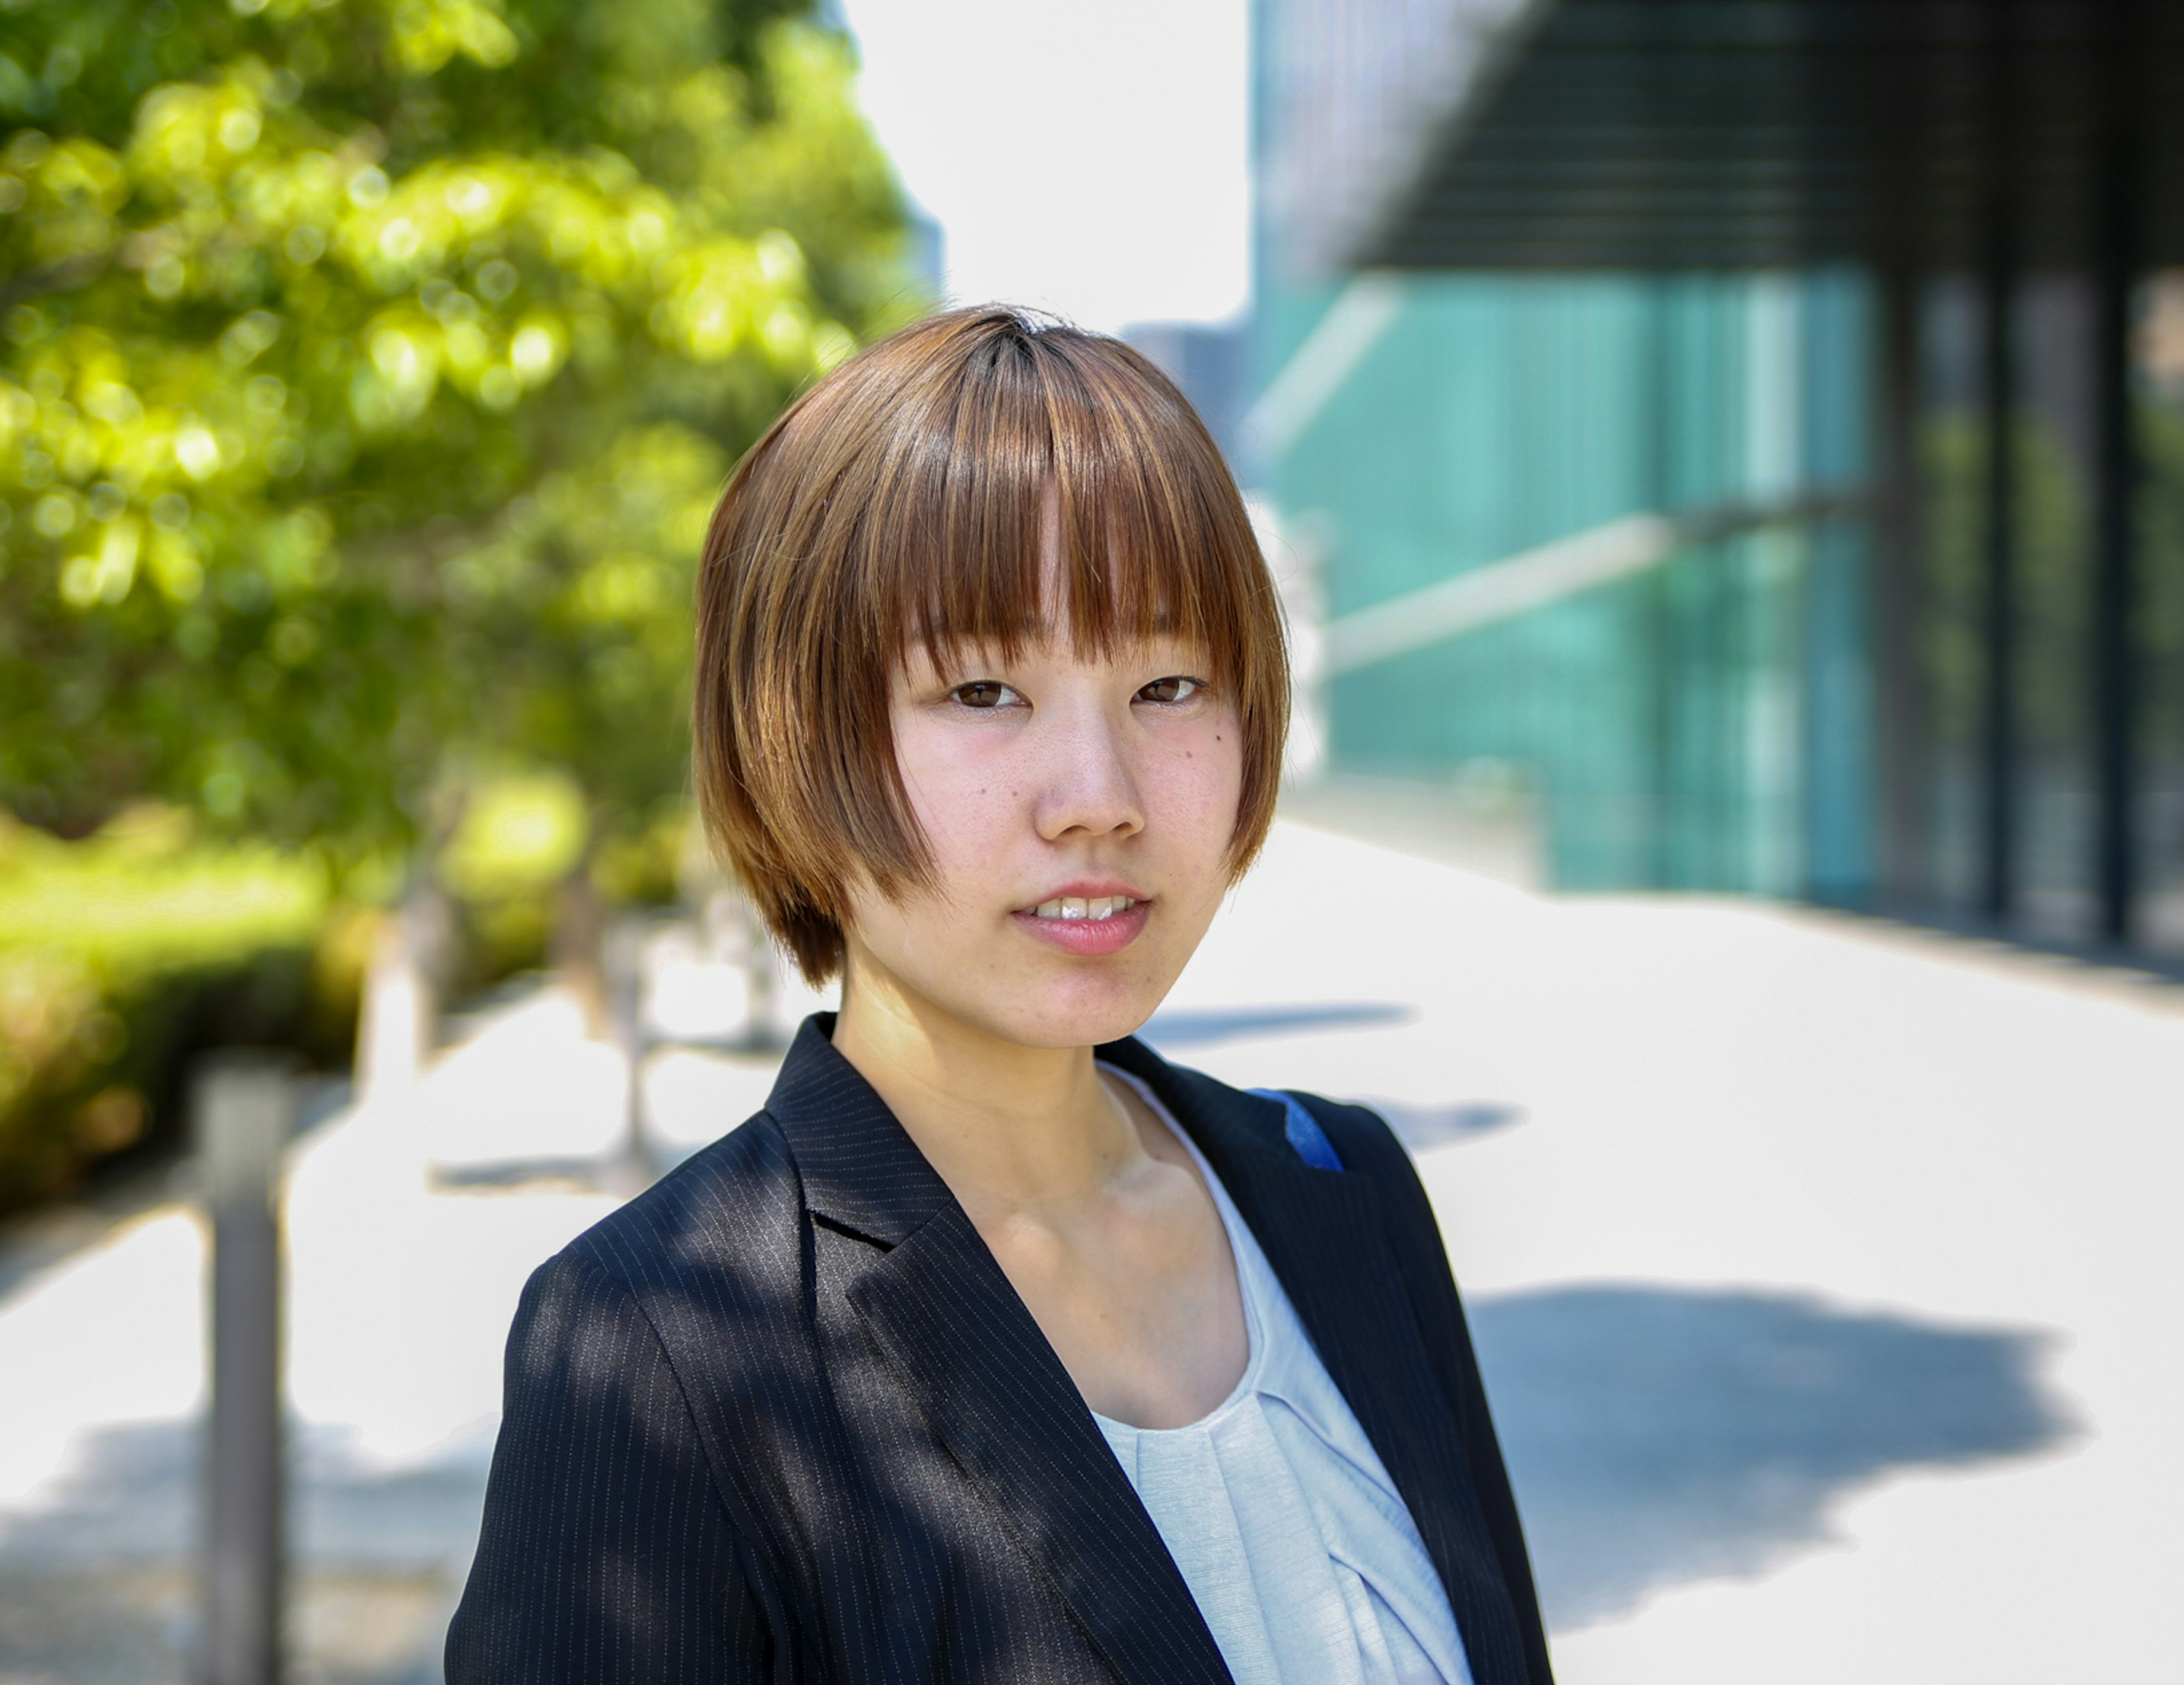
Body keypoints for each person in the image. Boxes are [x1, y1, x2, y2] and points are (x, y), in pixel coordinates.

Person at [445, 306, 1551, 1685]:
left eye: (1168, 681)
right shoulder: (663, 1340)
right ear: (793, 734)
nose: (1100, 797)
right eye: (982, 689)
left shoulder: (1347, 1193)